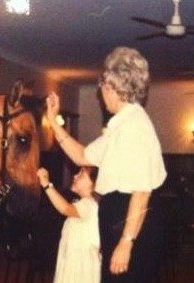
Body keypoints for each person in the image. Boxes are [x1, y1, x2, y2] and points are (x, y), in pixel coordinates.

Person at [44, 46, 167, 283]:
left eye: (102, 87)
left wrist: (126, 241)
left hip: (131, 219)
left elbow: (141, 193)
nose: (101, 94)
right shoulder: (121, 125)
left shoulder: (134, 128)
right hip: (120, 216)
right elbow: (82, 156)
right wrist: (53, 122)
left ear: (112, 87)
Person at [37, 166, 101, 283]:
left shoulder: (89, 205)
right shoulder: (84, 204)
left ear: (94, 184)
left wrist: (46, 184)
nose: (75, 176)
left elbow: (65, 208)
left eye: (81, 174)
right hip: (73, 263)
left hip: (80, 269)